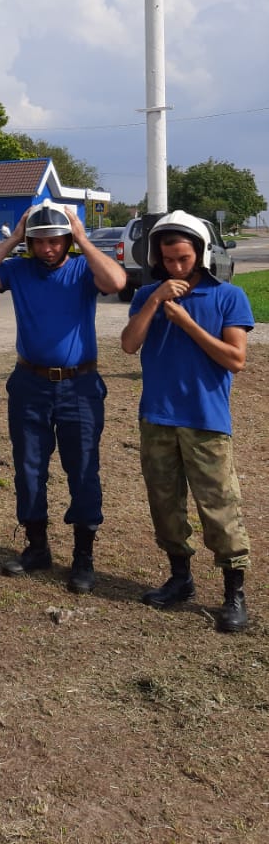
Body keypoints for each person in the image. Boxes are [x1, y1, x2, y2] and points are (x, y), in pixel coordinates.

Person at [0, 201, 126, 592]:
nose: (48, 249)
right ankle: (37, 548)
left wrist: (84, 239)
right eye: (40, 242)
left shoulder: (82, 269)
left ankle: (83, 557)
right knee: (29, 467)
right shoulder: (18, 270)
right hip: (30, 384)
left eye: (56, 241)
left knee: (83, 469)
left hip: (79, 385)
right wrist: (15, 238)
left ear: (67, 241)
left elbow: (117, 283)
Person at [120, 211, 254, 633]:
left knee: (219, 508)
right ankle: (180, 579)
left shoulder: (229, 296)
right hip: (157, 417)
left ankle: (233, 592)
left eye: (183, 257)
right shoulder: (148, 296)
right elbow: (128, 345)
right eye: (167, 259)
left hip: (206, 420)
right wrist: (158, 299)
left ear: (200, 253)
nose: (176, 266)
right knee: (165, 506)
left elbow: (235, 360)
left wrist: (189, 323)